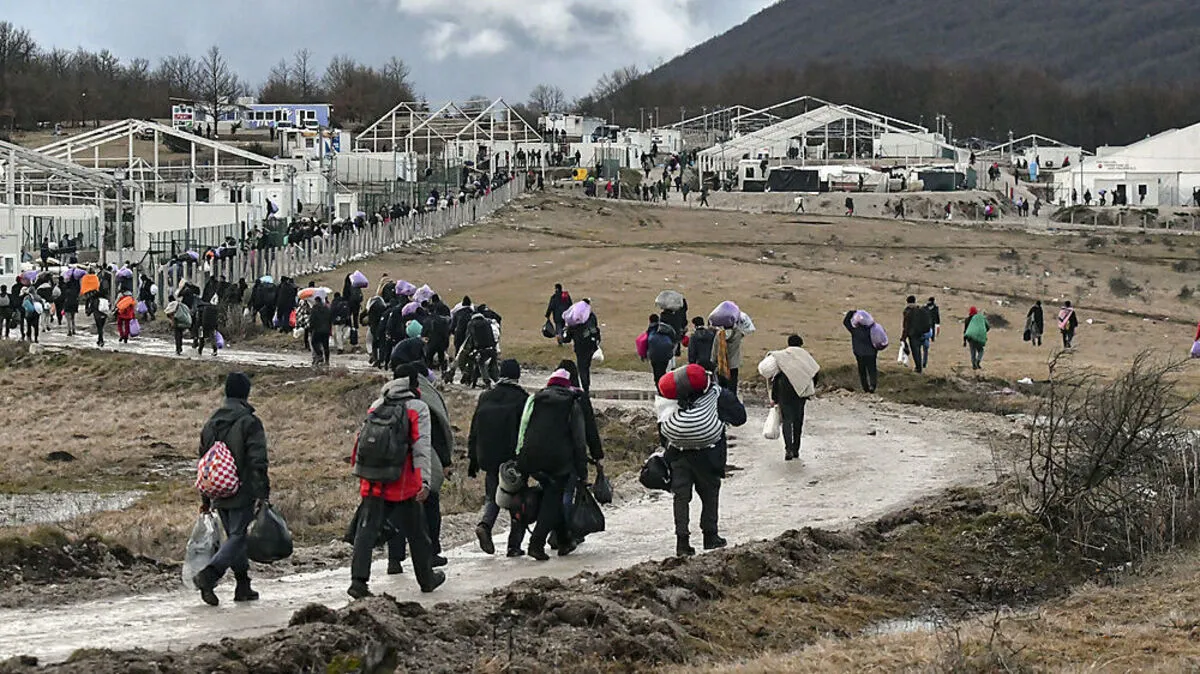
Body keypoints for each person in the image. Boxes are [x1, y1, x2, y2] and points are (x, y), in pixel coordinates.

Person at [347, 365, 445, 598]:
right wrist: (425, 482)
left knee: (366, 531)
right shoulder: (418, 408)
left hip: (372, 481)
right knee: (418, 533)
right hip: (402, 483)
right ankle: (426, 579)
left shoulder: (377, 405)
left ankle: (358, 582)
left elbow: (361, 441)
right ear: (413, 383)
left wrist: (359, 470)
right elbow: (421, 448)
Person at [192, 373, 270, 606]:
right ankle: (210, 575)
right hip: (242, 488)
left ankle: (243, 585)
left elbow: (204, 462)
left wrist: (205, 497)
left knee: (234, 539)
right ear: (246, 394)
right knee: (238, 537)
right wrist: (262, 493)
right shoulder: (250, 422)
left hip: (216, 488)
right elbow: (258, 461)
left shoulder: (211, 424)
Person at [659, 364, 747, 556]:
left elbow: (663, 425)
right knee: (710, 496)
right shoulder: (719, 395)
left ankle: (682, 542)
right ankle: (710, 537)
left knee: (681, 498)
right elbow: (740, 418)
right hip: (709, 455)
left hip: (678, 454)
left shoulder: (675, 397)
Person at [516, 368, 590, 561]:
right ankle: (536, 543)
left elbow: (523, 427)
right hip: (558, 461)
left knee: (551, 496)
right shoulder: (571, 403)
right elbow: (579, 440)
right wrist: (583, 470)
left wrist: (521, 458)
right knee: (553, 499)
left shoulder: (536, 400)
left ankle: (564, 539)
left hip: (532, 458)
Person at [467, 359, 529, 557]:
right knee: (518, 501)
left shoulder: (486, 396)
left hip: (488, 456)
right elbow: (526, 431)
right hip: (513, 459)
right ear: (517, 376)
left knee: (493, 495)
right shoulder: (522, 399)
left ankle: (485, 525)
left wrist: (473, 458)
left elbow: (474, 429)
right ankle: (514, 546)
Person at [759, 335, 821, 461]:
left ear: (788, 344)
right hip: (800, 391)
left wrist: (774, 397)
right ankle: (796, 449)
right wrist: (810, 388)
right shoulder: (806, 356)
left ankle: (788, 449)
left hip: (784, 390)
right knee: (798, 419)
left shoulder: (781, 356)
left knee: (787, 420)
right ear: (801, 344)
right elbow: (814, 372)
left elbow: (773, 377)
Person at [562, 300, 601, 393]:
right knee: (586, 366)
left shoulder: (574, 321)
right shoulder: (591, 316)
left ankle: (585, 387)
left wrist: (564, 336)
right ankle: (586, 386)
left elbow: (567, 337)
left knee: (582, 367)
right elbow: (595, 329)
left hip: (580, 347)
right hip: (591, 345)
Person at [843, 310, 880, 393]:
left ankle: (865, 388)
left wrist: (851, 313)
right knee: (872, 370)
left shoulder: (855, 330)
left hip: (859, 354)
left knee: (862, 371)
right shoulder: (872, 329)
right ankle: (873, 386)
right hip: (871, 353)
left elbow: (845, 322)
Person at [712, 323, 746, 395]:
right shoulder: (737, 334)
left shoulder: (719, 335)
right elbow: (743, 331)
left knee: (721, 389)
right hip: (733, 365)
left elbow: (715, 351)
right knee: (732, 387)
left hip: (721, 365)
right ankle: (732, 402)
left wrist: (714, 361)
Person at [901, 296, 932, 373]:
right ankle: (920, 367)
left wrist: (903, 338)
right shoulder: (921, 310)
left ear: (907, 302)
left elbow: (906, 326)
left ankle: (918, 368)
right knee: (920, 351)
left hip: (913, 335)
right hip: (922, 334)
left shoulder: (908, 312)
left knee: (916, 352)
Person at [644, 314, 678, 384]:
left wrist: (645, 354)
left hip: (654, 354)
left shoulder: (650, 329)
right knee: (662, 369)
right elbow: (674, 338)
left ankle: (659, 385)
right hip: (666, 353)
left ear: (650, 321)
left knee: (656, 371)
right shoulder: (667, 328)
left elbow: (646, 341)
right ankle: (663, 385)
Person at [309, 296, 332, 367]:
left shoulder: (314, 308)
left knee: (314, 342)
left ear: (316, 301)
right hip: (326, 330)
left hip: (317, 330)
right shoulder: (327, 308)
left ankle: (320, 355)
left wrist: (311, 328)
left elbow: (312, 320)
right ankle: (327, 361)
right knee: (326, 346)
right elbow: (330, 319)